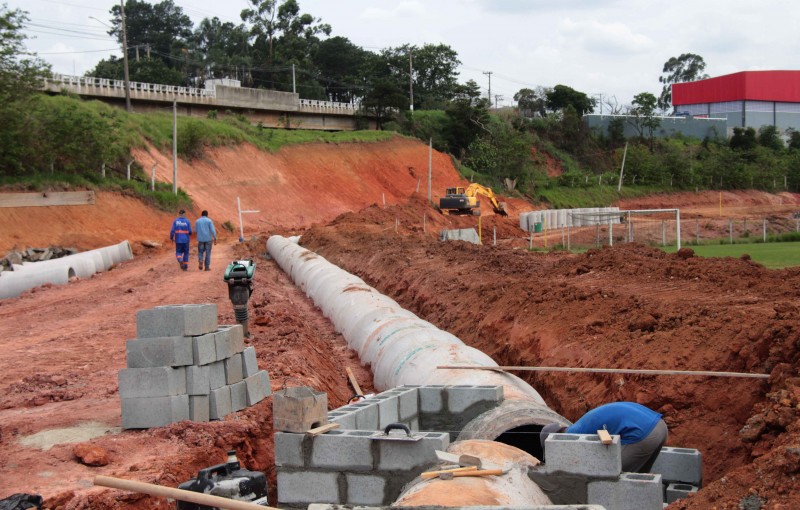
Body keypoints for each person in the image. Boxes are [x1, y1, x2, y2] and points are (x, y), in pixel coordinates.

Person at [540, 402, 668, 473]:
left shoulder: (572, 435)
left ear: (556, 438)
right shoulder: (580, 426)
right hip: (660, 427)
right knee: (641, 478)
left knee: (614, 475)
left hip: (644, 435)